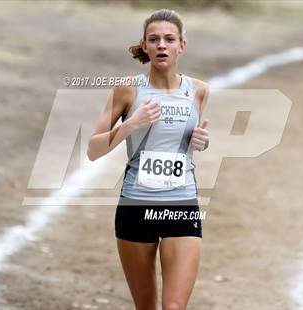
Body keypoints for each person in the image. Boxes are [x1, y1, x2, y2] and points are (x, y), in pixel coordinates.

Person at [87, 8, 210, 310]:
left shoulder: (198, 91)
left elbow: (186, 143)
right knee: (146, 306)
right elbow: (93, 150)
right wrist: (131, 123)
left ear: (182, 45)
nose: (161, 45)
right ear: (145, 46)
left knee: (173, 307)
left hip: (181, 203)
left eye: (169, 39)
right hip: (135, 205)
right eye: (154, 39)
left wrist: (200, 142)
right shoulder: (127, 90)